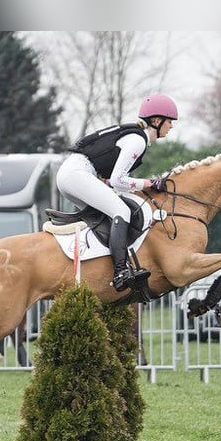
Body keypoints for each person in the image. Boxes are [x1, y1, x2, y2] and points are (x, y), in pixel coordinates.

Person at [56, 94, 178, 292]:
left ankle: (97, 266)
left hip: (73, 173)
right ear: (157, 121)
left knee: (106, 216)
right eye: (169, 122)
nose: (171, 127)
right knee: (122, 211)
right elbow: (118, 181)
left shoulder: (136, 137)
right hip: (77, 173)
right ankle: (121, 271)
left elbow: (114, 181)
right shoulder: (137, 141)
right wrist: (150, 183)